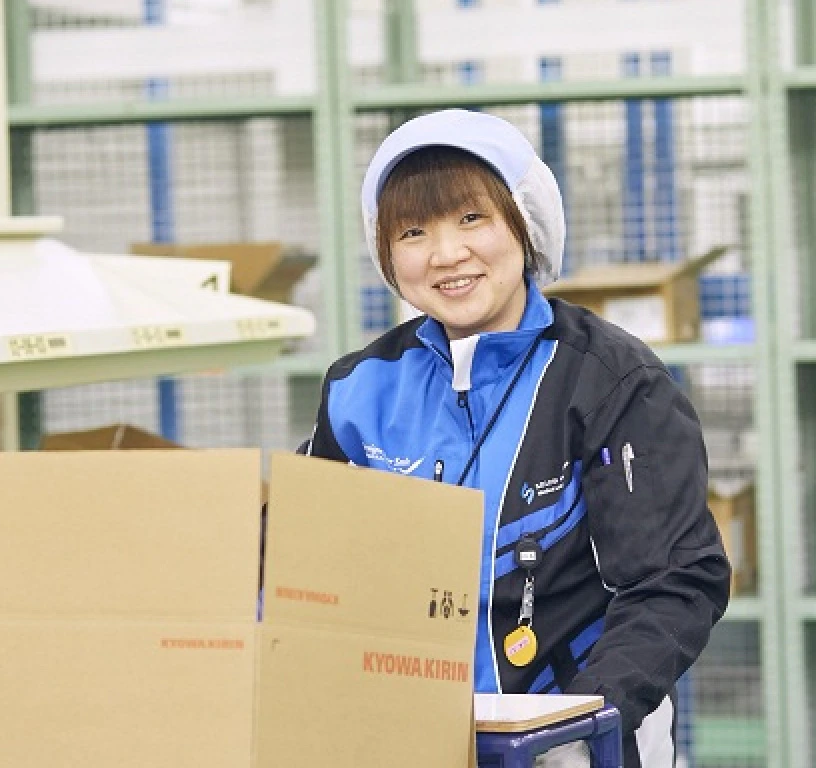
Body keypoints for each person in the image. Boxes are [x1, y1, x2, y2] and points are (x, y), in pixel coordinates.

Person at [300, 109, 731, 768]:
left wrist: (579, 724)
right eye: (413, 231)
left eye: (471, 218)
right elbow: (309, 578)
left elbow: (675, 580)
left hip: (579, 745)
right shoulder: (359, 389)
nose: (446, 253)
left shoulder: (608, 380)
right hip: (407, 741)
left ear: (525, 223)